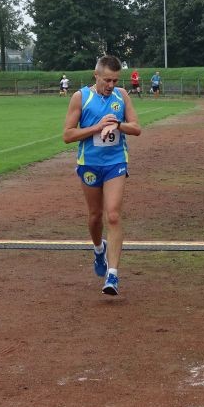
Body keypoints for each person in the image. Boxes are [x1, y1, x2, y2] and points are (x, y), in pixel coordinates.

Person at [63, 55, 142, 295]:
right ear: (95, 75)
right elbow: (68, 135)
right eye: (107, 80)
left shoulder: (122, 95)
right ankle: (99, 249)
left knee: (114, 215)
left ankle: (113, 274)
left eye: (115, 80)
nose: (111, 85)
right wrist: (97, 127)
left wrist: (118, 125)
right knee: (95, 216)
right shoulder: (81, 97)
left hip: (115, 162)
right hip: (89, 163)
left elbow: (136, 128)